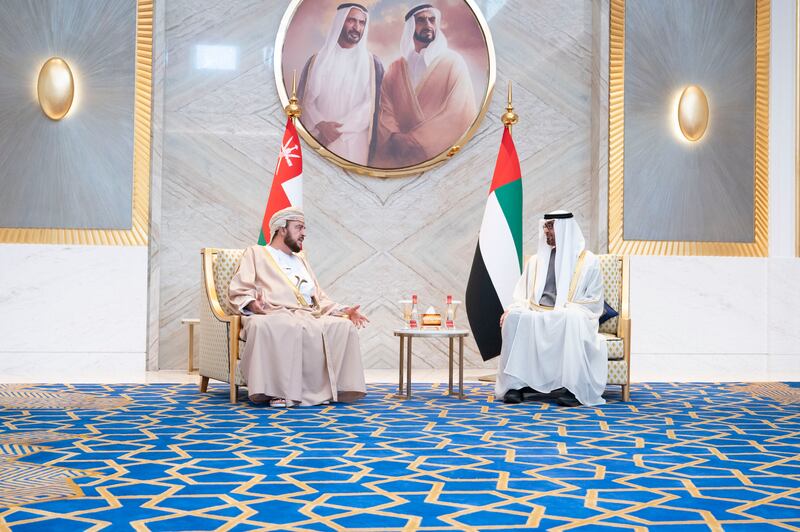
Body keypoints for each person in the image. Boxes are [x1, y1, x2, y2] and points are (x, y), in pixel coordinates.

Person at [228, 207, 369, 407]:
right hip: (272, 311)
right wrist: (253, 303)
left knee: (342, 327)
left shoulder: (301, 260)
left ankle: (329, 389)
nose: (304, 233)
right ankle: (278, 391)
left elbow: (318, 297)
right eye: (299, 227)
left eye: (304, 228)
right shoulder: (256, 253)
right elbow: (241, 287)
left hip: (307, 313)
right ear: (281, 229)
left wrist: (344, 310)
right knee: (279, 325)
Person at [496, 211, 608, 407]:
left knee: (571, 318)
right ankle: (514, 386)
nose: (546, 231)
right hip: (537, 313)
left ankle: (574, 388)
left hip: (569, 313)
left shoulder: (588, 261)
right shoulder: (536, 261)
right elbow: (522, 295)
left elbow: (594, 300)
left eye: (550, 227)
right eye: (545, 226)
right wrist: (513, 308)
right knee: (513, 317)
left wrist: (564, 309)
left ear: (565, 229)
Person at [372, 3, 477, 168]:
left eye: (432, 20)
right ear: (410, 27)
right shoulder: (395, 68)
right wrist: (394, 136)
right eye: (421, 21)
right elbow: (386, 109)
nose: (428, 25)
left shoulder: (453, 62)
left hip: (439, 155)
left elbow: (458, 112)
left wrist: (416, 141)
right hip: (398, 153)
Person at [297, 3, 384, 166]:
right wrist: (320, 124)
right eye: (351, 21)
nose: (357, 27)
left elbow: (370, 105)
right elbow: (305, 100)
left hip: (354, 143)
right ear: (340, 21)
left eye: (361, 23)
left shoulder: (372, 63)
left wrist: (337, 130)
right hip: (317, 139)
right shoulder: (317, 60)